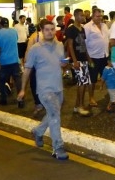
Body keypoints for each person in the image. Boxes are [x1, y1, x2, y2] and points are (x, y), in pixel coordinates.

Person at [18, 19, 70, 160]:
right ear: (41, 30)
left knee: (53, 114)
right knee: (54, 115)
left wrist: (64, 65)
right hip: (44, 89)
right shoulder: (35, 48)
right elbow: (27, 69)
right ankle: (58, 147)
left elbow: (61, 63)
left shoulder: (59, 45)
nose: (50, 32)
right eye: (47, 29)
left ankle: (38, 131)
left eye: (52, 29)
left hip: (58, 87)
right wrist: (23, 89)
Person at [66, 9, 92, 116]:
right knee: (81, 83)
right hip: (77, 60)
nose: (83, 17)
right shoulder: (71, 29)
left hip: (83, 59)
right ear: (76, 16)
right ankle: (80, 105)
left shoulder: (82, 29)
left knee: (84, 83)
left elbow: (83, 45)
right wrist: (74, 60)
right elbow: (70, 45)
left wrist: (88, 58)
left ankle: (77, 105)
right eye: (81, 15)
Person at [84, 8, 110, 112]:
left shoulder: (104, 26)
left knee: (108, 77)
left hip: (104, 56)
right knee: (92, 79)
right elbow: (84, 44)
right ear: (92, 16)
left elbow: (108, 40)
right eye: (97, 16)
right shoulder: (87, 27)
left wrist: (109, 55)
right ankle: (91, 98)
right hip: (93, 57)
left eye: (101, 16)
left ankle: (111, 97)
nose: (99, 18)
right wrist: (88, 59)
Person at [0, 17, 22, 106]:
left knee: (2, 81)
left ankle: (3, 100)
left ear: (0, 24)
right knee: (18, 80)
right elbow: (16, 41)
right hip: (14, 60)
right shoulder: (13, 31)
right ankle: (20, 100)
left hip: (4, 61)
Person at [25, 21, 44, 117]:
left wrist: (26, 61)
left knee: (35, 84)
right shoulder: (52, 35)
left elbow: (29, 50)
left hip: (36, 63)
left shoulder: (34, 36)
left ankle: (38, 103)